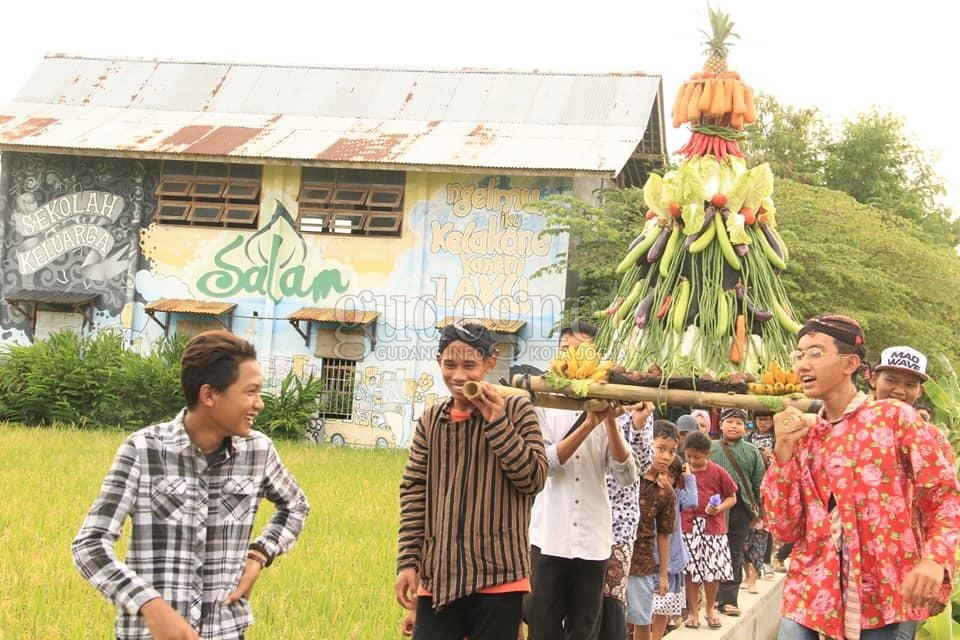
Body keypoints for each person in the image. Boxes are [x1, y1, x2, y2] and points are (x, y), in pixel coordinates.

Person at [72, 330, 310, 640]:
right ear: (209, 395)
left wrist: (259, 555)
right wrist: (149, 605)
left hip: (225, 631)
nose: (259, 404)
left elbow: (295, 506)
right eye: (250, 392)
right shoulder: (143, 450)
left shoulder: (258, 451)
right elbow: (90, 544)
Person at [761, 314, 960, 640]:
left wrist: (935, 560)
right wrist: (782, 451)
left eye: (815, 353)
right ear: (874, 377)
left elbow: (943, 495)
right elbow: (785, 528)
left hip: (879, 591)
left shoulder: (895, 419)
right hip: (811, 589)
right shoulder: (805, 435)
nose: (802, 364)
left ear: (850, 363)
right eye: (799, 354)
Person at [396, 321, 547, 640]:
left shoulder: (518, 410)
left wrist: (497, 423)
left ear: (490, 363)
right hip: (440, 577)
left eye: (469, 366)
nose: (458, 376)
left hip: (500, 577)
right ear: (438, 361)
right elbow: (413, 493)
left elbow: (533, 479)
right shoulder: (430, 421)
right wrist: (408, 561)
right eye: (449, 365)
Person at [526, 320, 638, 640]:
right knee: (542, 628)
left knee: (584, 630)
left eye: (582, 351)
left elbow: (626, 475)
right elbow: (546, 464)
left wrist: (610, 421)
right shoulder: (543, 401)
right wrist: (589, 424)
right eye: (565, 350)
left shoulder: (612, 399)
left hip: (592, 541)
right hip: (549, 537)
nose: (572, 356)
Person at [599, 401, 655, 640]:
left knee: (612, 602)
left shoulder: (638, 410)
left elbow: (642, 464)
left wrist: (638, 425)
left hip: (619, 522)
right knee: (580, 601)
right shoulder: (585, 404)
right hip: (581, 517)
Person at [710, 407, 766, 617]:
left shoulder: (752, 452)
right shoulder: (710, 448)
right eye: (730, 421)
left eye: (739, 423)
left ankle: (729, 600)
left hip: (740, 508)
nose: (734, 426)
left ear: (745, 428)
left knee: (734, 552)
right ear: (721, 425)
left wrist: (759, 510)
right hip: (711, 509)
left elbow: (759, 483)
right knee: (712, 551)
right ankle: (712, 597)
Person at [626, 420, 679, 640]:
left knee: (642, 618)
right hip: (612, 556)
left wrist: (664, 574)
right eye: (661, 449)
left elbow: (664, 534)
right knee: (609, 616)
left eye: (672, 451)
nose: (666, 457)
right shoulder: (626, 476)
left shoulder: (666, 491)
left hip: (642, 561)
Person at [680, 431, 738, 630]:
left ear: (708, 454)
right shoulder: (683, 471)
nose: (692, 461)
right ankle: (692, 611)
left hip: (712, 527)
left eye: (697, 457)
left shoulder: (718, 472)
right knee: (691, 570)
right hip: (688, 526)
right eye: (688, 456)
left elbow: (732, 497)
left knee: (712, 571)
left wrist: (718, 508)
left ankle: (710, 608)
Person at [651, 456, 698, 640]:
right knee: (644, 607)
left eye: (669, 475)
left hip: (671, 560)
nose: (664, 478)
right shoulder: (647, 493)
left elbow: (693, 501)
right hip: (650, 558)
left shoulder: (676, 496)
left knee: (663, 606)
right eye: (661, 473)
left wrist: (689, 476)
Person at [745, 409, 776, 580]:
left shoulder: (776, 439)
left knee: (765, 526)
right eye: (760, 419)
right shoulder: (747, 439)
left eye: (767, 420)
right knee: (749, 528)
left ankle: (766, 561)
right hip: (750, 485)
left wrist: (770, 456)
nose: (763, 423)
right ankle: (748, 568)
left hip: (770, 485)